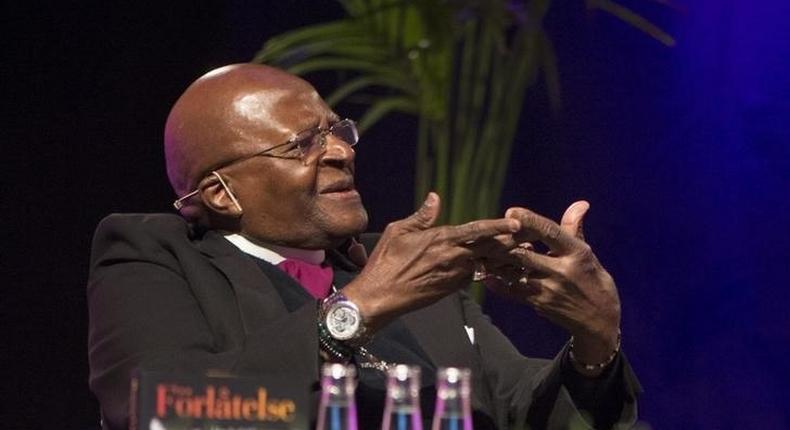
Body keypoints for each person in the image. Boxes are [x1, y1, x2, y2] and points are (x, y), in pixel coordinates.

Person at [87, 64, 640, 430]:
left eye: (337, 131)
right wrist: (357, 310)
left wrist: (595, 342)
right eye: (304, 143)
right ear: (221, 194)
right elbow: (162, 413)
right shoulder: (157, 256)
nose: (341, 152)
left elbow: (521, 410)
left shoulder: (398, 264)